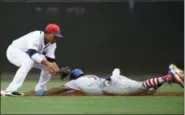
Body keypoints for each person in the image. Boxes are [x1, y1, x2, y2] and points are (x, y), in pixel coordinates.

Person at [23, 64, 184, 96]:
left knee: (142, 87)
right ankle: (166, 75)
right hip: (113, 80)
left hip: (112, 86)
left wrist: (41, 93)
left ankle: (168, 76)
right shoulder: (88, 77)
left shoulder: (74, 82)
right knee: (147, 92)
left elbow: (60, 89)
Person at [4, 24, 63, 96]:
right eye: (55, 36)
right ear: (47, 33)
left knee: (48, 66)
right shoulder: (36, 36)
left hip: (28, 55)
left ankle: (39, 90)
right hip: (14, 51)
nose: (56, 39)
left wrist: (57, 69)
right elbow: (32, 54)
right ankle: (10, 90)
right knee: (28, 62)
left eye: (57, 37)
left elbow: (50, 60)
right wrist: (49, 64)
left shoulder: (52, 44)